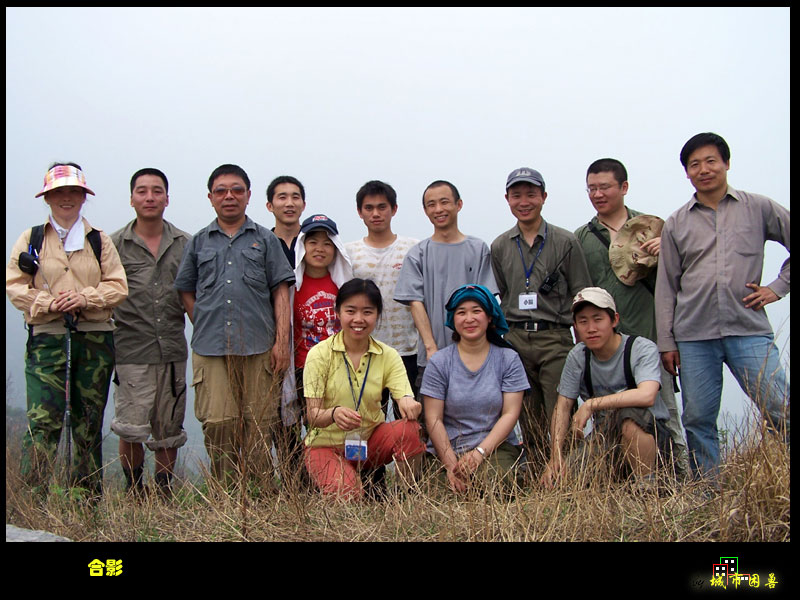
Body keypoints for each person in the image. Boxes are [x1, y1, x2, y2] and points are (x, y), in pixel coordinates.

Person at [655, 132, 790, 478]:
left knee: (780, 407)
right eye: (694, 164)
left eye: (711, 161)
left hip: (748, 329)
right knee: (698, 418)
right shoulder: (677, 222)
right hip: (694, 336)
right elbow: (667, 285)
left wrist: (777, 288)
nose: (703, 170)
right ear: (686, 172)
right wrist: (667, 342)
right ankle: (707, 491)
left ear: (726, 163)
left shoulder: (758, 207)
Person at [6, 162, 128, 498]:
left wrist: (84, 297)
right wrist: (47, 302)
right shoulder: (31, 239)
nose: (66, 198)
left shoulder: (98, 240)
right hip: (48, 338)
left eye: (74, 191)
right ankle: (33, 500)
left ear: (83, 196)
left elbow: (118, 286)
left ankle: (85, 501)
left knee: (88, 422)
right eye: (59, 192)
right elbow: (14, 286)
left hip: (94, 338)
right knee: (43, 420)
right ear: (47, 197)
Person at [174, 164, 294, 489]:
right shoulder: (199, 242)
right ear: (210, 197)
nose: (229, 196)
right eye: (221, 191)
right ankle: (225, 494)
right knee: (218, 423)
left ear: (248, 195)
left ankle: (261, 493)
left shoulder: (266, 240)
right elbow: (185, 288)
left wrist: (281, 343)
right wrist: (203, 322)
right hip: (210, 349)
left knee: (259, 424)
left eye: (237, 190)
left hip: (259, 347)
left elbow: (281, 290)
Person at [574, 158, 688, 475]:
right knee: (608, 420)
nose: (597, 194)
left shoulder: (654, 228)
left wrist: (668, 250)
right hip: (603, 348)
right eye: (591, 188)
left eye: (605, 187)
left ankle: (681, 477)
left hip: (651, 339)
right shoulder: (581, 238)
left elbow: (677, 283)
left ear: (624, 187)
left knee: (666, 412)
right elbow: (579, 296)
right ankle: (619, 479)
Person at [490, 167, 592, 471]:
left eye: (531, 194)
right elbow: (504, 293)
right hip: (516, 339)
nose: (524, 202)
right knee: (526, 413)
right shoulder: (500, 245)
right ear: (507, 199)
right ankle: (536, 473)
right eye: (517, 195)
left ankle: (569, 472)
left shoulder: (565, 241)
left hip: (555, 337)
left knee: (561, 409)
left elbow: (581, 294)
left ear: (544, 197)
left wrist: (585, 345)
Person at [302, 278, 426, 500]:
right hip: (325, 446)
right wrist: (333, 414)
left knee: (410, 430)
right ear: (338, 312)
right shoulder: (319, 355)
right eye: (350, 311)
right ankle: (340, 481)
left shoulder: (388, 355)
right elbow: (313, 415)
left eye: (367, 312)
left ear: (377, 315)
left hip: (369, 442)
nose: (358, 319)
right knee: (348, 493)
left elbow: (405, 396)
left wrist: (409, 403)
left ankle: (407, 497)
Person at [110, 168, 191, 498]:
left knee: (169, 427)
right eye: (142, 191)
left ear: (167, 199)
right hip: (131, 349)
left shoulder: (185, 243)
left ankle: (163, 491)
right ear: (131, 199)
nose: (149, 197)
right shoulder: (114, 245)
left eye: (157, 191)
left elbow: (194, 294)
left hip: (172, 349)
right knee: (131, 427)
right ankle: (133, 490)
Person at [541, 288, 672, 489]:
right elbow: (563, 406)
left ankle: (648, 487)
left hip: (650, 437)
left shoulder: (640, 348)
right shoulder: (578, 356)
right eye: (583, 321)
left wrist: (591, 404)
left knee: (628, 418)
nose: (591, 328)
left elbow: (647, 395)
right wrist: (555, 456)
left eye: (598, 319)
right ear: (575, 326)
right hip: (605, 438)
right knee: (563, 482)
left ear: (614, 320)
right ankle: (618, 483)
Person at [394, 180, 498, 398]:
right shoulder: (418, 254)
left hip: (476, 357)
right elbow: (415, 303)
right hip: (432, 358)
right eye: (431, 205)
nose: (438, 209)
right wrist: (430, 348)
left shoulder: (478, 249)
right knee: (429, 416)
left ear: (459, 204)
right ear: (425, 211)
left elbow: (486, 301)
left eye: (444, 202)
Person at [421, 284, 528, 494]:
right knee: (438, 493)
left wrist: (479, 453)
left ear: (489, 317)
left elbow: (510, 413)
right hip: (448, 450)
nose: (469, 319)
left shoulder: (508, 359)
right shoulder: (439, 362)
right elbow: (433, 419)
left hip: (494, 449)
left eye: (476, 311)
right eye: (461, 312)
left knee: (498, 483)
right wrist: (452, 466)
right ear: (453, 320)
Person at [345, 180, 419, 405]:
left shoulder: (413, 248)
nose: (375, 214)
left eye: (382, 207)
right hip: (365, 350)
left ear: (394, 209)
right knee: (367, 418)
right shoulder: (349, 252)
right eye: (368, 208)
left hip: (408, 349)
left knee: (407, 416)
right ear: (359, 212)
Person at [266, 175, 306, 267]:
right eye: (282, 197)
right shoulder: (263, 244)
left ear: (303, 205)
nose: (289, 204)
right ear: (270, 206)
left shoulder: (311, 242)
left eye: (295, 197)